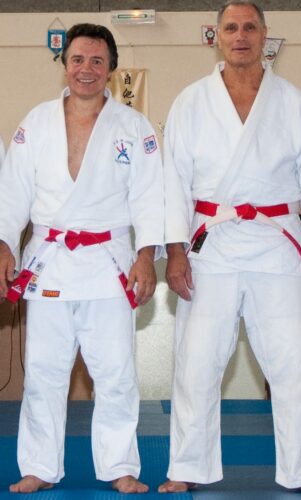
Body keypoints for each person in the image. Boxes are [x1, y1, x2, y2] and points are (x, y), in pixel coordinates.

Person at [160, 0, 301, 495]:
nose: (240, 36)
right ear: (216, 36)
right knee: (197, 363)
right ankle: (188, 467)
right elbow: (172, 183)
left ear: (264, 35)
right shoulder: (191, 102)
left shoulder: (293, 101)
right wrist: (174, 250)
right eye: (231, 28)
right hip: (211, 244)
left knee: (295, 363)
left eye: (249, 27)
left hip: (277, 242)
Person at [0, 23, 164, 494]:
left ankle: (119, 467)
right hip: (50, 260)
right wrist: (5, 243)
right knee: (43, 373)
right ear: (64, 64)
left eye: (96, 61)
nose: (86, 69)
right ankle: (39, 467)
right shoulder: (36, 122)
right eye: (77, 60)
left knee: (115, 374)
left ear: (111, 68)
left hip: (109, 262)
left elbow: (150, 196)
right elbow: (12, 192)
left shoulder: (134, 127)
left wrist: (146, 255)